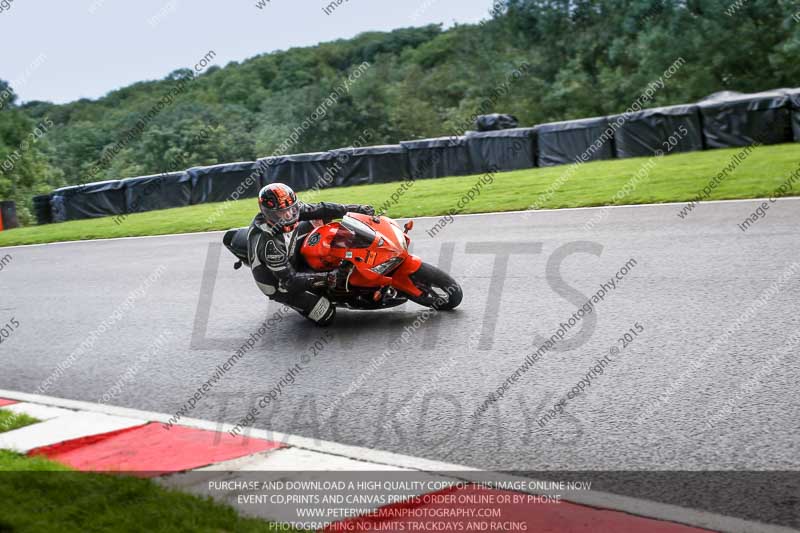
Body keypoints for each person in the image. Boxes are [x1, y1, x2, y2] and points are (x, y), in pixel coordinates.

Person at [248, 183, 375, 326]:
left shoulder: (290, 210)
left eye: (291, 209)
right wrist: (330, 277)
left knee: (323, 219)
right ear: (268, 213)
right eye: (281, 213)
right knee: (326, 315)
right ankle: (299, 298)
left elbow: (319, 209)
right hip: (279, 283)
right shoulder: (269, 243)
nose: (289, 215)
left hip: (290, 251)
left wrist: (354, 209)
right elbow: (289, 281)